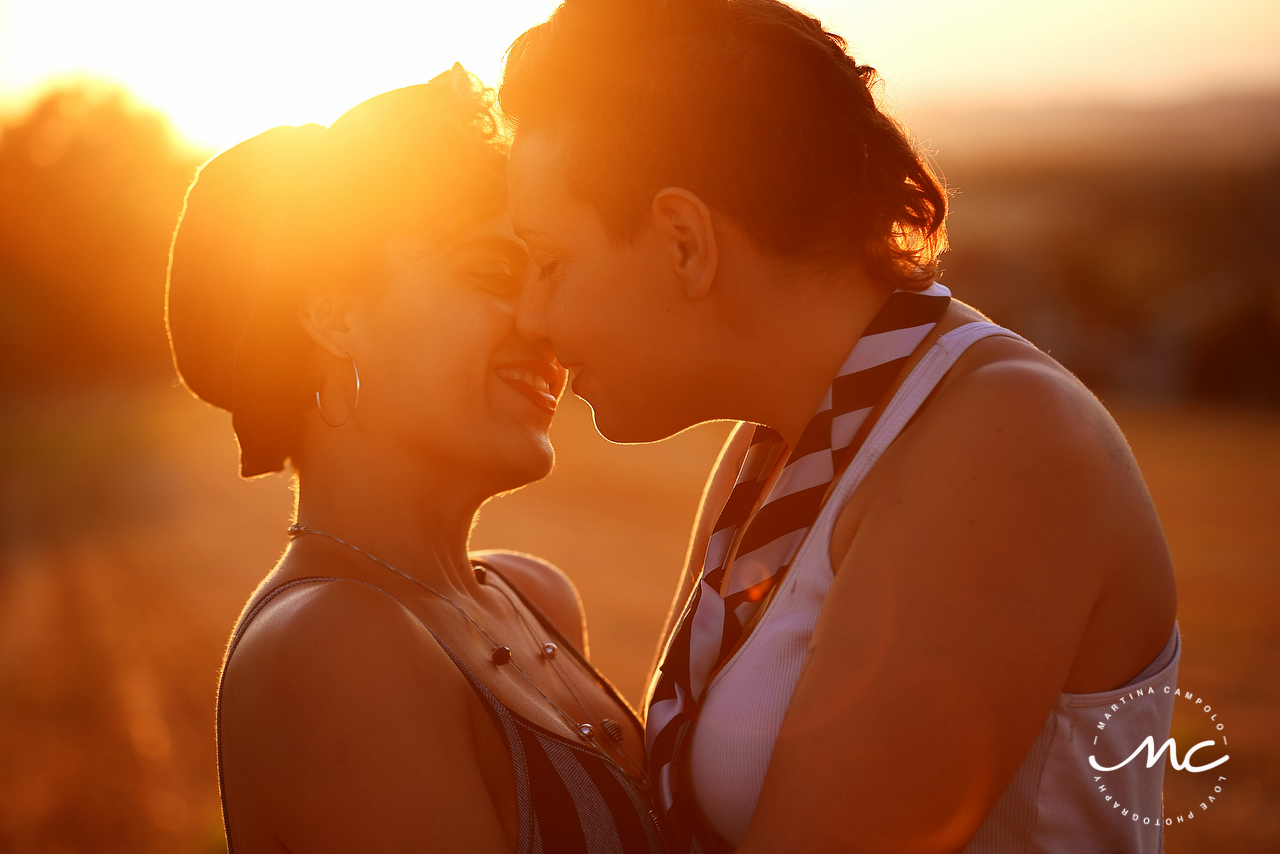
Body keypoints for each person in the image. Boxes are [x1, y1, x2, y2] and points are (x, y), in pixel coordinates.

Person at [499, 2, 1180, 852]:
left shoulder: (1005, 442)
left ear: (684, 242)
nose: (528, 315)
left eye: (552, 261)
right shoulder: (783, 444)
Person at [166, 68, 665, 854]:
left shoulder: (531, 597)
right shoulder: (331, 648)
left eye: (546, 275)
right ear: (333, 314)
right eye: (493, 274)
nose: (545, 320)